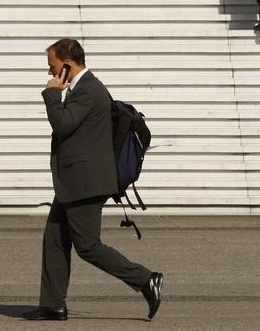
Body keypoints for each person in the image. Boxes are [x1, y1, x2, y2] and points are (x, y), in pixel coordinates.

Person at [22, 38, 163, 321]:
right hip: (75, 182)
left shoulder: (88, 90)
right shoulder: (83, 89)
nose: (49, 72)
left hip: (85, 184)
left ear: (66, 65)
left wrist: (51, 94)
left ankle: (146, 279)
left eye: (51, 66)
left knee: (88, 246)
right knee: (54, 240)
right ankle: (53, 305)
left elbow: (62, 125)